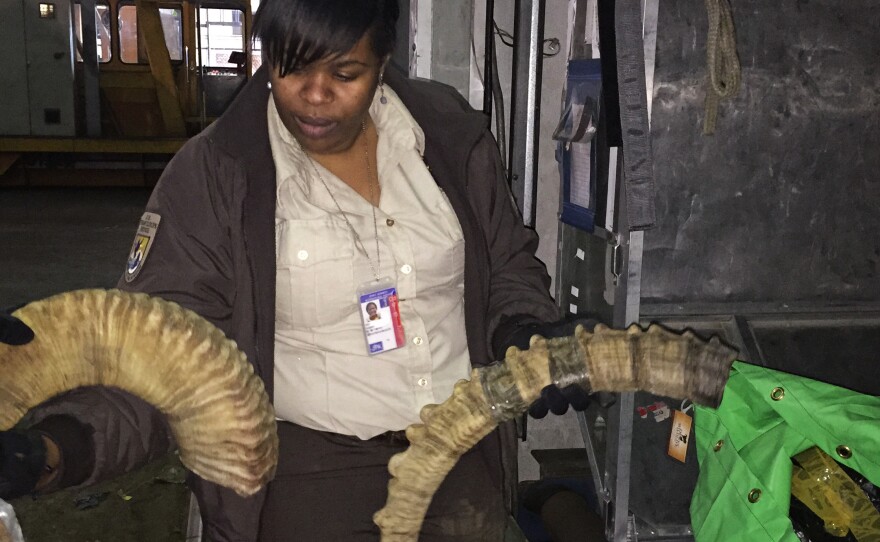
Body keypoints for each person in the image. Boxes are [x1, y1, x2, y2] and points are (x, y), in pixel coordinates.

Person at [0, 1, 589, 540]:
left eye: (344, 73)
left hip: (463, 463)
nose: (313, 94)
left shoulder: (447, 135)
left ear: (382, 60)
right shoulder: (218, 175)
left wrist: (523, 330)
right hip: (311, 479)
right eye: (289, 66)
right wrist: (56, 448)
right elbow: (158, 353)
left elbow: (505, 262)